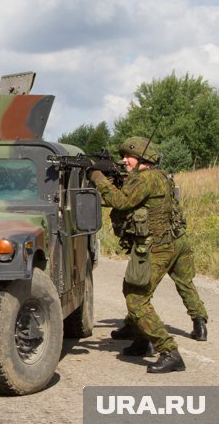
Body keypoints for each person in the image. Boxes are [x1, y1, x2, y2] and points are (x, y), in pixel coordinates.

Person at [89, 136, 186, 373]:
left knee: (136, 300)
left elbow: (120, 202)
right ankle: (143, 341)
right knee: (131, 288)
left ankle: (169, 351)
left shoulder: (147, 179)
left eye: (128, 157)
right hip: (160, 246)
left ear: (143, 159)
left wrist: (97, 177)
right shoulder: (156, 176)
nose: (124, 161)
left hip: (156, 249)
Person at [110, 187, 208, 342]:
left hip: (164, 244)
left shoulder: (143, 184)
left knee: (140, 289)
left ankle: (138, 330)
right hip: (179, 237)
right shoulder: (163, 184)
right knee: (185, 283)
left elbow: (119, 200)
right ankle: (200, 323)